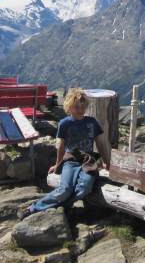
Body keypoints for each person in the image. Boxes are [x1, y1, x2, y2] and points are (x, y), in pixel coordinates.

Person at [21, 88, 111, 217]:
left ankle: (58, 206)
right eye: (76, 107)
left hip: (88, 161)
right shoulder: (64, 124)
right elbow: (61, 146)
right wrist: (57, 164)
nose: (80, 110)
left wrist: (106, 161)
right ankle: (33, 208)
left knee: (84, 188)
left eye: (83, 107)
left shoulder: (92, 122)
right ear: (69, 107)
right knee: (65, 189)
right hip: (71, 160)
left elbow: (100, 143)